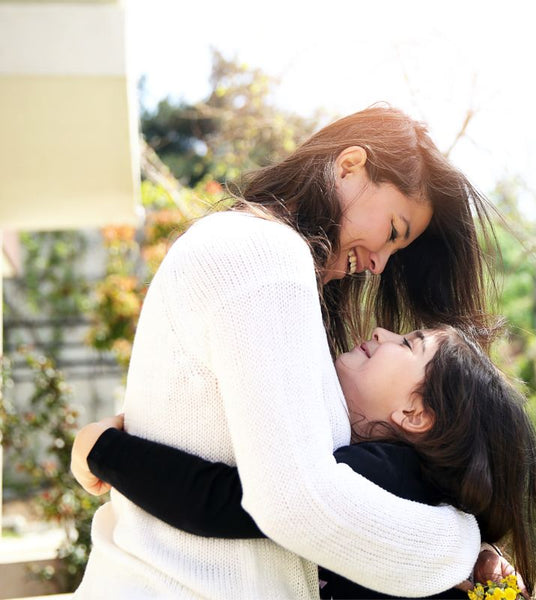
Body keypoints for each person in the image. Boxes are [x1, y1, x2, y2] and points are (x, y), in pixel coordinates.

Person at [72, 105, 501, 599]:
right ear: (350, 166)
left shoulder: (255, 252)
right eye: (393, 231)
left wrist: (106, 446)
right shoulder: (266, 254)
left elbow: (200, 424)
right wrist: (460, 545)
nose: (380, 265)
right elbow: (295, 503)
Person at [72, 326, 536, 599]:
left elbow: (223, 502)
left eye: (410, 343)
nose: (381, 331)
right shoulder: (417, 494)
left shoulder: (386, 474)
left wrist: (106, 451)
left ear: (415, 414)